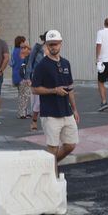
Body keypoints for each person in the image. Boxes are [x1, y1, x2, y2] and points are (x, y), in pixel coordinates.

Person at [31, 30, 80, 174]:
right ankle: (52, 177)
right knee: (53, 148)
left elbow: (70, 88)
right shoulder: (41, 66)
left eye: (56, 44)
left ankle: (45, 166)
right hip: (50, 113)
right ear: (46, 45)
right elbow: (34, 89)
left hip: (67, 112)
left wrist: (75, 109)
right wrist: (54, 90)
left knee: (70, 145)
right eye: (50, 44)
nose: (53, 47)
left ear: (61, 44)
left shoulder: (66, 63)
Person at [24, 32, 46, 131]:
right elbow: (30, 62)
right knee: (37, 102)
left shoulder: (53, 50)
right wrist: (28, 77)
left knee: (48, 101)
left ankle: (48, 122)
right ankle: (34, 120)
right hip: (37, 77)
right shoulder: (37, 48)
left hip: (49, 78)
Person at [11, 36, 31, 120]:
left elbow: (12, 63)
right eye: (24, 41)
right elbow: (32, 53)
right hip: (23, 75)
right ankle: (22, 113)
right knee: (24, 95)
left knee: (21, 94)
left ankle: (24, 112)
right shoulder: (23, 51)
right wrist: (28, 46)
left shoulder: (14, 51)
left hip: (15, 75)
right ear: (21, 42)